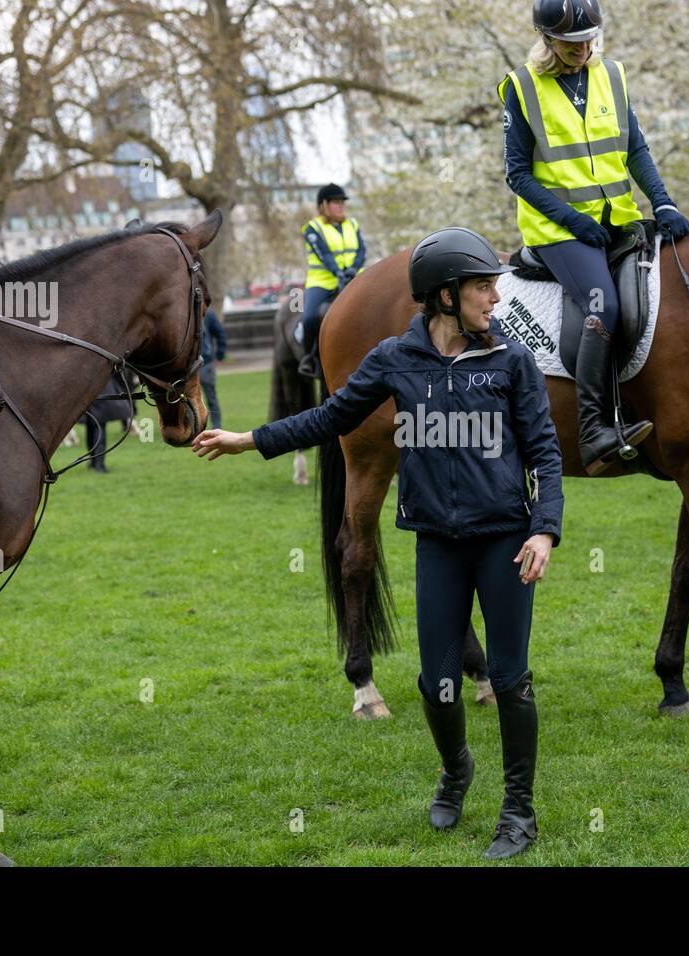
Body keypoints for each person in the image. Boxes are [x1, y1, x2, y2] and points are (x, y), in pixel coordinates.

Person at [193, 227, 564, 860]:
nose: (494, 299)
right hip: (436, 545)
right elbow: (329, 418)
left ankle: (518, 811)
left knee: (510, 680)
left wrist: (544, 530)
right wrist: (249, 440)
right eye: (482, 287)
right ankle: (455, 772)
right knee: (437, 683)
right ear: (444, 296)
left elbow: (545, 454)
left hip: (504, 542)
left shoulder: (511, 361)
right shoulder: (394, 359)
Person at [500, 0, 689, 476]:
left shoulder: (612, 75)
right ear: (548, 41)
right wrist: (571, 220)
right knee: (601, 304)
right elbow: (518, 175)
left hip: (616, 218)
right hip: (558, 231)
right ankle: (593, 430)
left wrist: (662, 202)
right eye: (571, 43)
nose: (583, 49)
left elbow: (635, 149)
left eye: (589, 39)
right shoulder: (522, 87)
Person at [296, 183, 365, 379]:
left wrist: (353, 269)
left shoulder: (353, 224)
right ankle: (309, 358)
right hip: (323, 282)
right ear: (324, 205)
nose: (341, 206)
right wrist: (337, 272)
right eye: (336, 202)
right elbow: (323, 253)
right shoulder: (312, 228)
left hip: (353, 279)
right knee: (309, 318)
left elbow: (361, 250)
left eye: (342, 202)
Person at [200, 304, 226, 430]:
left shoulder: (208, 313)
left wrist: (219, 355)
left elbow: (220, 333)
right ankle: (192, 427)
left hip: (206, 363)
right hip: (187, 366)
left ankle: (216, 426)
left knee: (211, 397)